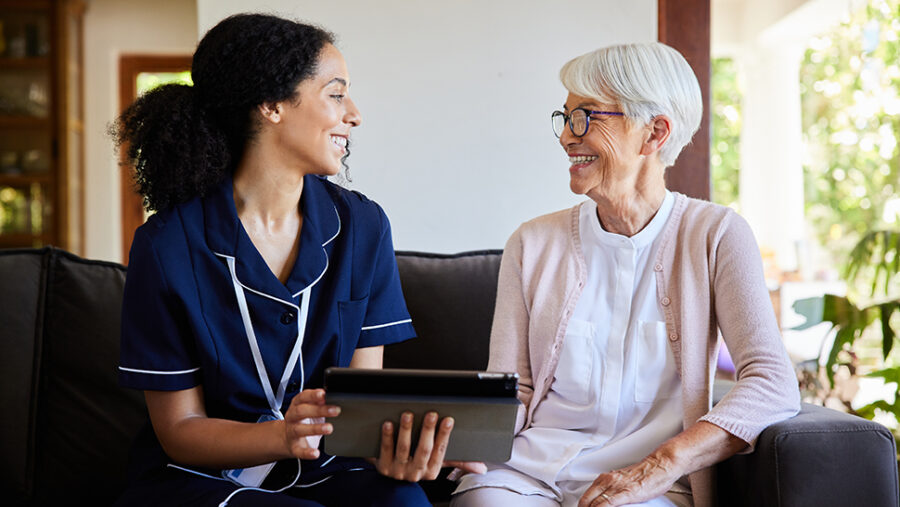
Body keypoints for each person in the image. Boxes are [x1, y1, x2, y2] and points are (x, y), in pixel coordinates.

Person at [112, 13, 481, 507]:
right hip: (200, 479)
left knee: (405, 501)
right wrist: (282, 436)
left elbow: (361, 409)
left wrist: (395, 451)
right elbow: (180, 430)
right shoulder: (165, 245)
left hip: (322, 469)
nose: (354, 113)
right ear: (271, 105)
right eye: (335, 93)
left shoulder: (363, 227)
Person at [451, 42, 800, 507]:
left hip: (651, 485)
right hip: (528, 476)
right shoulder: (532, 243)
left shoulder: (716, 235)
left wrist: (662, 465)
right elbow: (514, 389)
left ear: (654, 133)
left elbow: (772, 382)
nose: (566, 137)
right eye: (566, 118)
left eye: (586, 118)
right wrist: (466, 437)